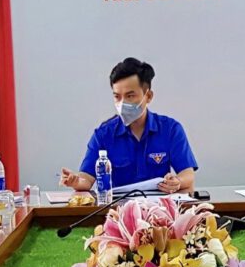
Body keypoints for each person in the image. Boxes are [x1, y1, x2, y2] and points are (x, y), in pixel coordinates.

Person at [60, 58, 198, 194]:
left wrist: (177, 181)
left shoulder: (171, 129)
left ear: (148, 96)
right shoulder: (103, 134)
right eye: (117, 97)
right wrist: (75, 181)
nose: (122, 103)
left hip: (159, 205)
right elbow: (86, 179)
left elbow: (188, 174)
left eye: (130, 96)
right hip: (117, 206)